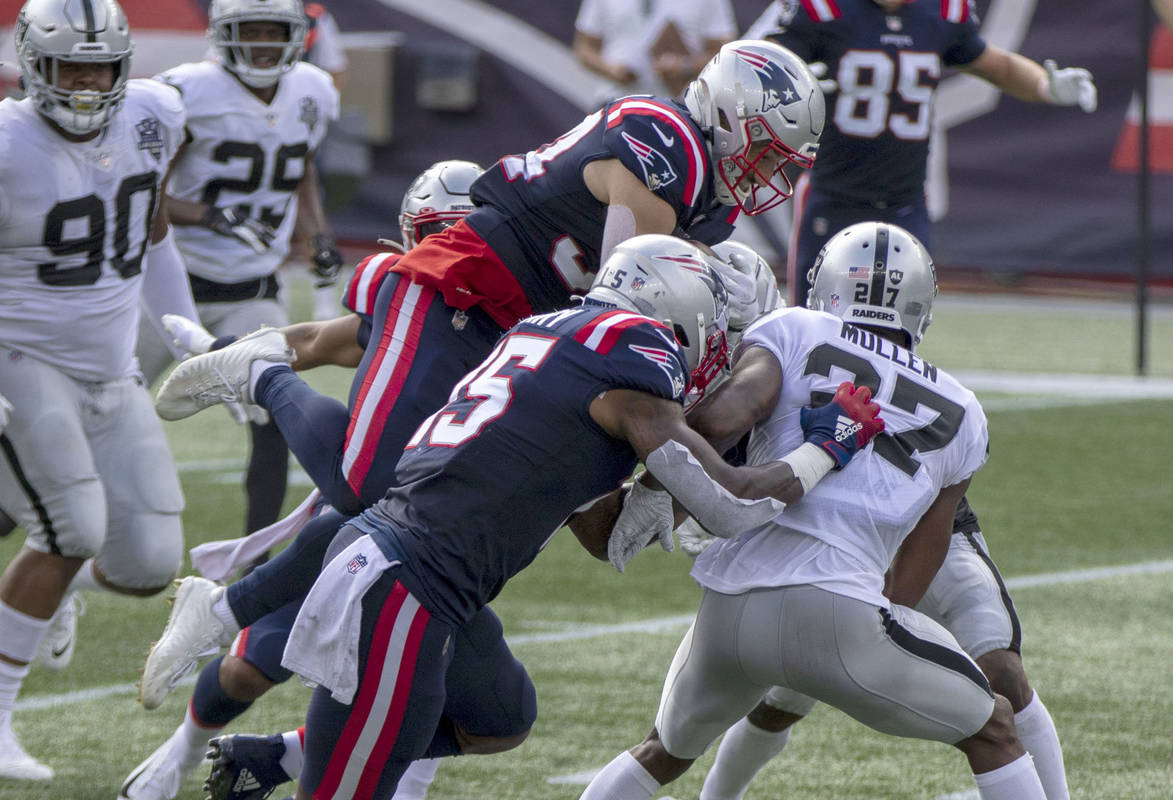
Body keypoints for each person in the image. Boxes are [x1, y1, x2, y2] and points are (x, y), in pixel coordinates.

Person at [175, 234, 885, 800]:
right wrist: (826, 449)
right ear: (679, 311)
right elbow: (729, 502)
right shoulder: (632, 362)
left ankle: (259, 686)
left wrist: (649, 502)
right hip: (406, 589)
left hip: (419, 578)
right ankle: (262, 387)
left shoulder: (553, 339)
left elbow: (596, 524)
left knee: (500, 718)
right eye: (713, 332)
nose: (709, 355)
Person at [579, 223, 1052, 800]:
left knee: (660, 753)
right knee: (996, 730)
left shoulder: (793, 326)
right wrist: (865, 640)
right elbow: (921, 555)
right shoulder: (963, 407)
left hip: (728, 610)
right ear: (921, 307)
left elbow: (717, 424)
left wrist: (656, 489)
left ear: (824, 284)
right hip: (840, 611)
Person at [117, 160, 482, 800]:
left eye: (464, 232)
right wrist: (219, 351)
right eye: (438, 233)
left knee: (472, 700)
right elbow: (311, 337)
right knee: (253, 669)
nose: (450, 250)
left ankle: (275, 742)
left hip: (448, 534)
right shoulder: (401, 300)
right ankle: (184, 750)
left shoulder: (522, 316)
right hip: (366, 517)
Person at [0, 0, 203, 780]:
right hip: (18, 354)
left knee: (151, 560)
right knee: (72, 527)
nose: (86, 83)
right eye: (69, 66)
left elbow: (150, 230)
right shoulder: (9, 143)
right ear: (32, 65)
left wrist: (182, 323)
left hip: (108, 366)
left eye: (100, 66)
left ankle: (47, 592)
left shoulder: (153, 114)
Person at [133, 0, 343, 566]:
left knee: (276, 417)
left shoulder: (313, 89)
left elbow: (300, 171)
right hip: (169, 285)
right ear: (223, 34)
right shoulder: (185, 92)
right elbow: (143, 189)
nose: (262, 45)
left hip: (253, 287)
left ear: (296, 35)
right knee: (109, 410)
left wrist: (317, 234)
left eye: (273, 33)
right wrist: (208, 215)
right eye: (249, 32)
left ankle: (253, 562)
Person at [761, 0, 1098, 304]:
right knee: (808, 319)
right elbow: (763, 65)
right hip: (833, 197)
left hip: (904, 202)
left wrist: (1045, 86)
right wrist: (793, 80)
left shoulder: (941, 12)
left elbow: (998, 66)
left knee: (899, 326)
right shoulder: (824, 10)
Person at [573, 0, 737, 97]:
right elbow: (584, 47)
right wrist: (610, 70)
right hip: (613, 102)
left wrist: (684, 66)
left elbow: (726, 54)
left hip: (676, 110)